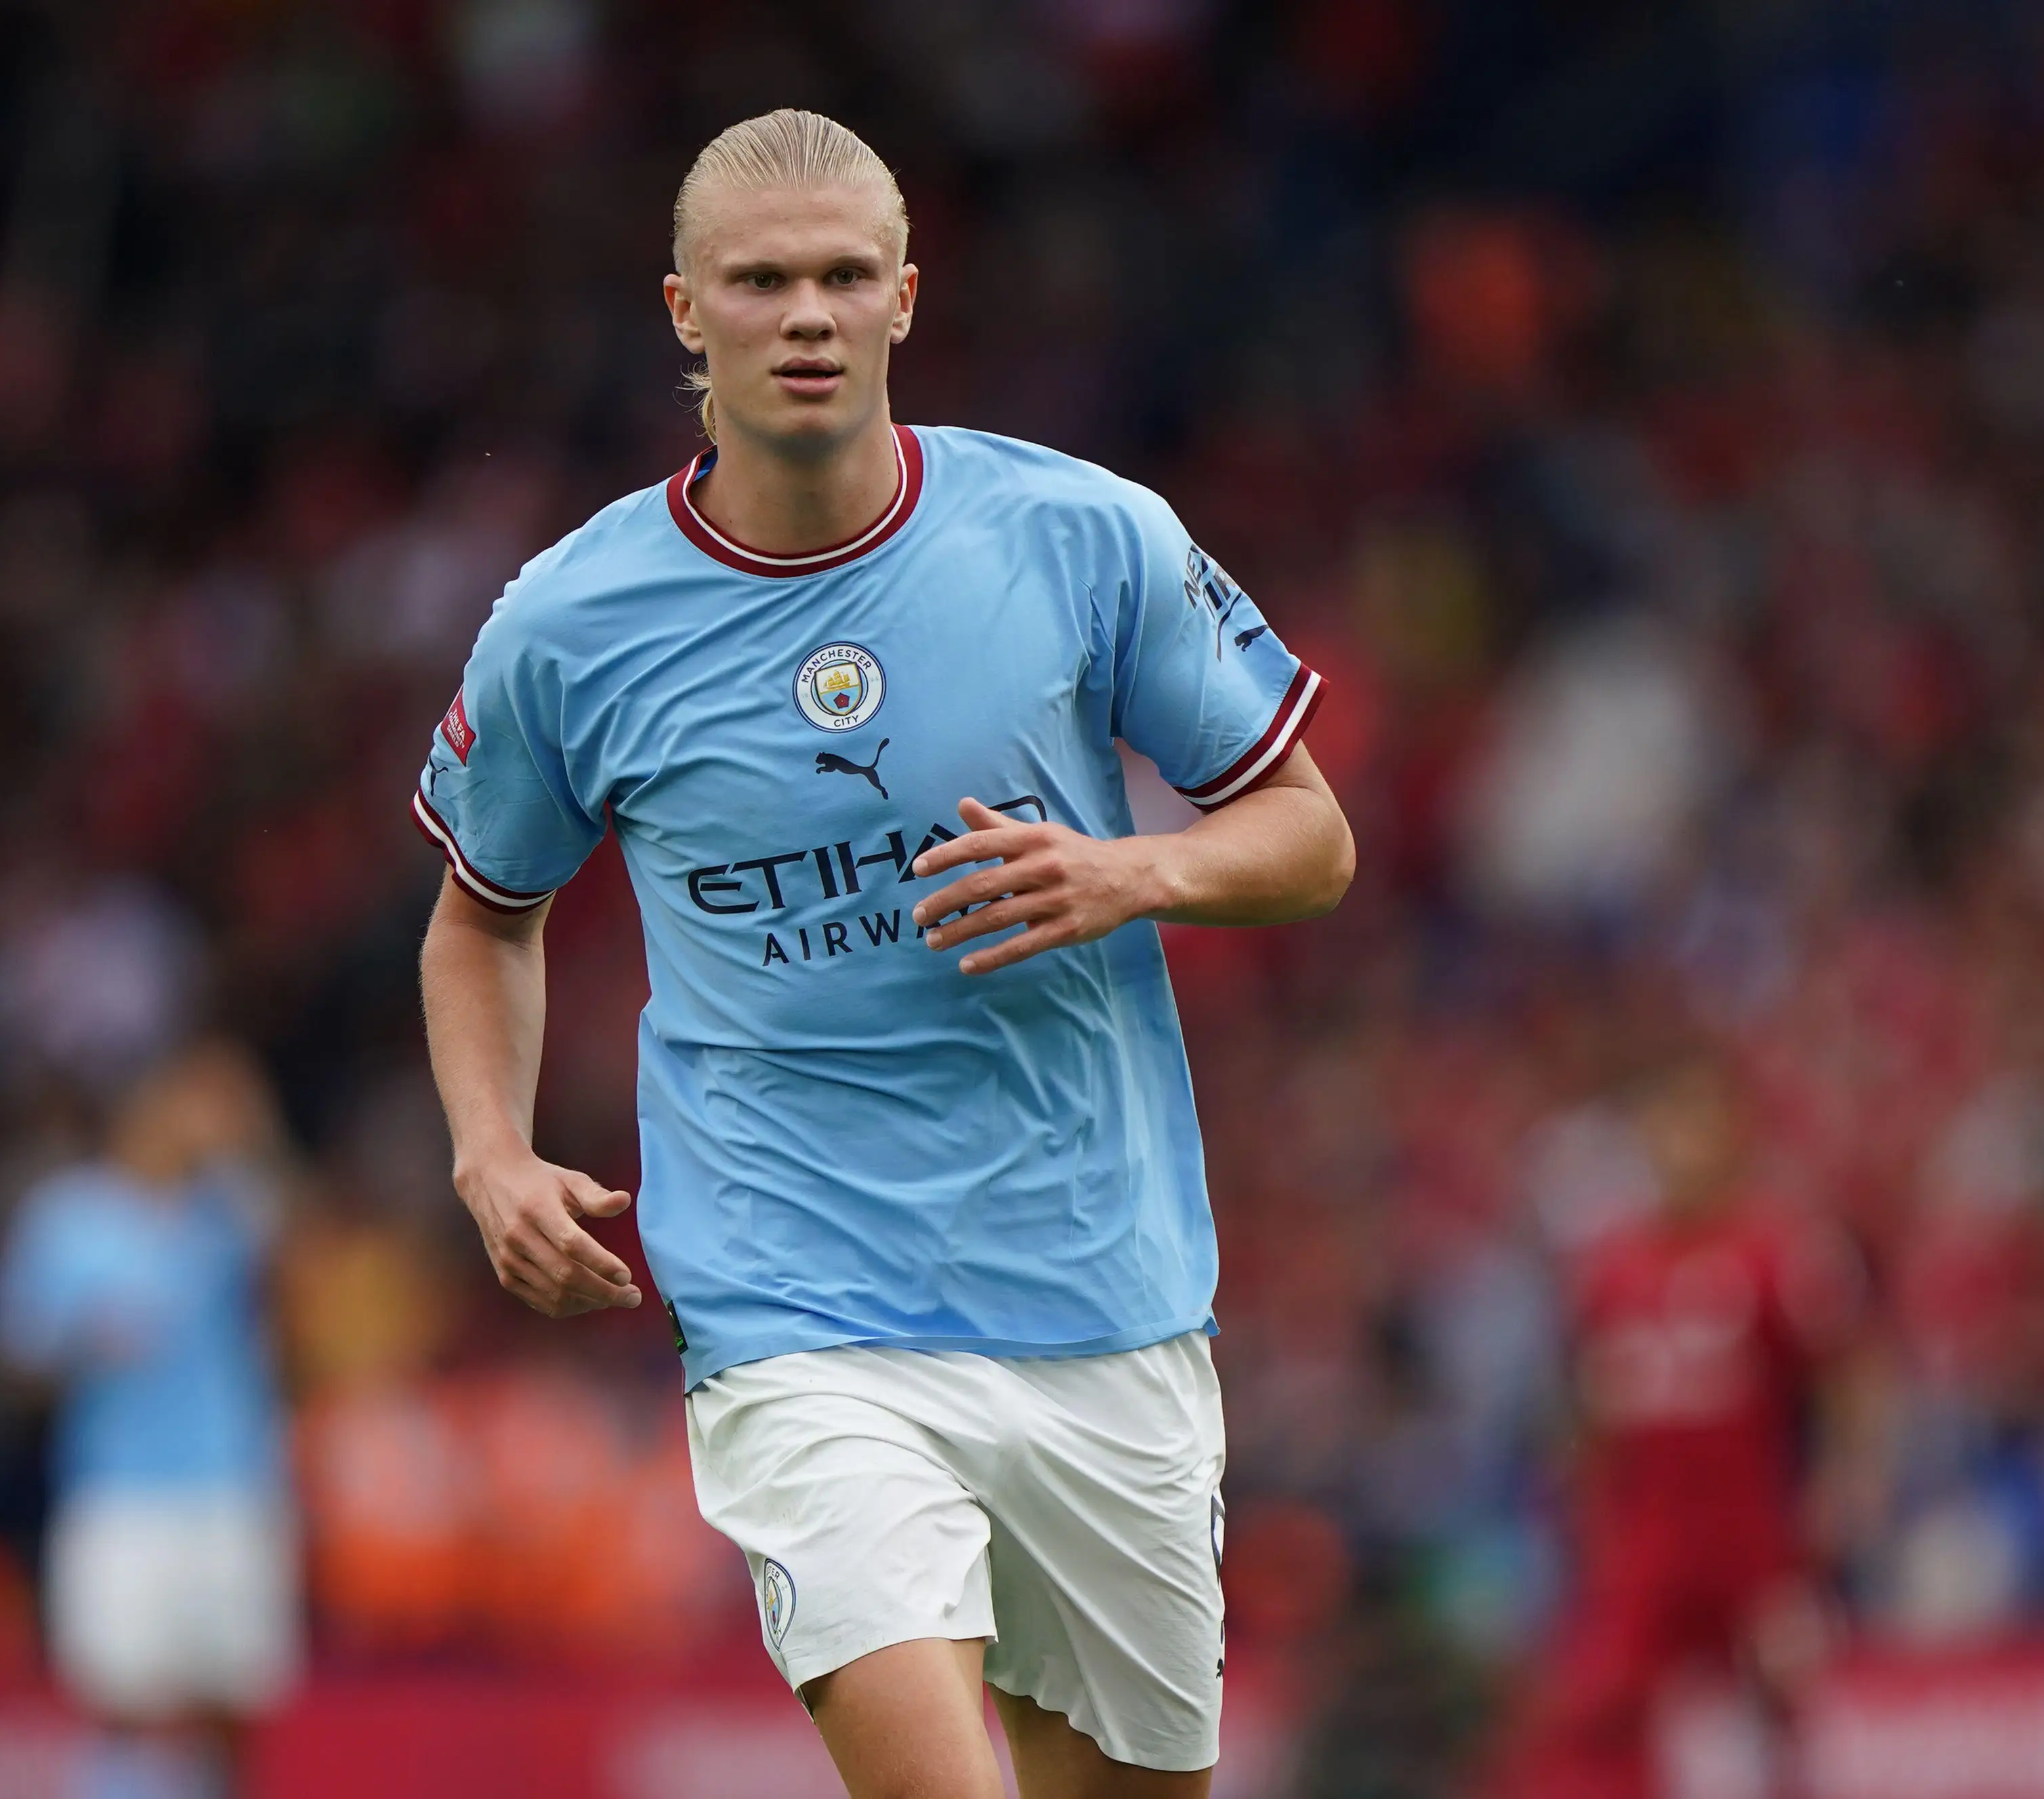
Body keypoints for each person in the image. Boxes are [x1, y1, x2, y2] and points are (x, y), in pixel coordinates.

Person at [413, 110, 1355, 1799]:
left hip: (1100, 1291)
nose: (807, 315)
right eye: (759, 281)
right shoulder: (568, 624)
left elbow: (1310, 835)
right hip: (798, 1308)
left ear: (905, 298)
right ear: (684, 310)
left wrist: (1129, 871)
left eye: (846, 276)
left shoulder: (1082, 535)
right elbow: (485, 914)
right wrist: (490, 1153)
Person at [1490, 1052, 1858, 1799]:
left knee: (1778, 1706)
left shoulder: (1775, 1250)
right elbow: (1588, 1400)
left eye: (1697, 1125)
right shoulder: (1611, 1267)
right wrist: (1585, 1499)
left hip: (1751, 1533)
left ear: (1733, 1135)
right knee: (1601, 1707)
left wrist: (1846, 1478)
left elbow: (1848, 1370)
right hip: (1649, 1533)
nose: (1680, 1145)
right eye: (1665, 1127)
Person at [0, 1041, 298, 1799]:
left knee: (231, 1696)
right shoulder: (68, 1217)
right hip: (118, 1491)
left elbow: (300, 1257)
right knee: (120, 1690)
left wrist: (253, 1142)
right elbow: (12, 1353)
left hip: (232, 1484)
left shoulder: (229, 1211)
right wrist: (82, 1341)